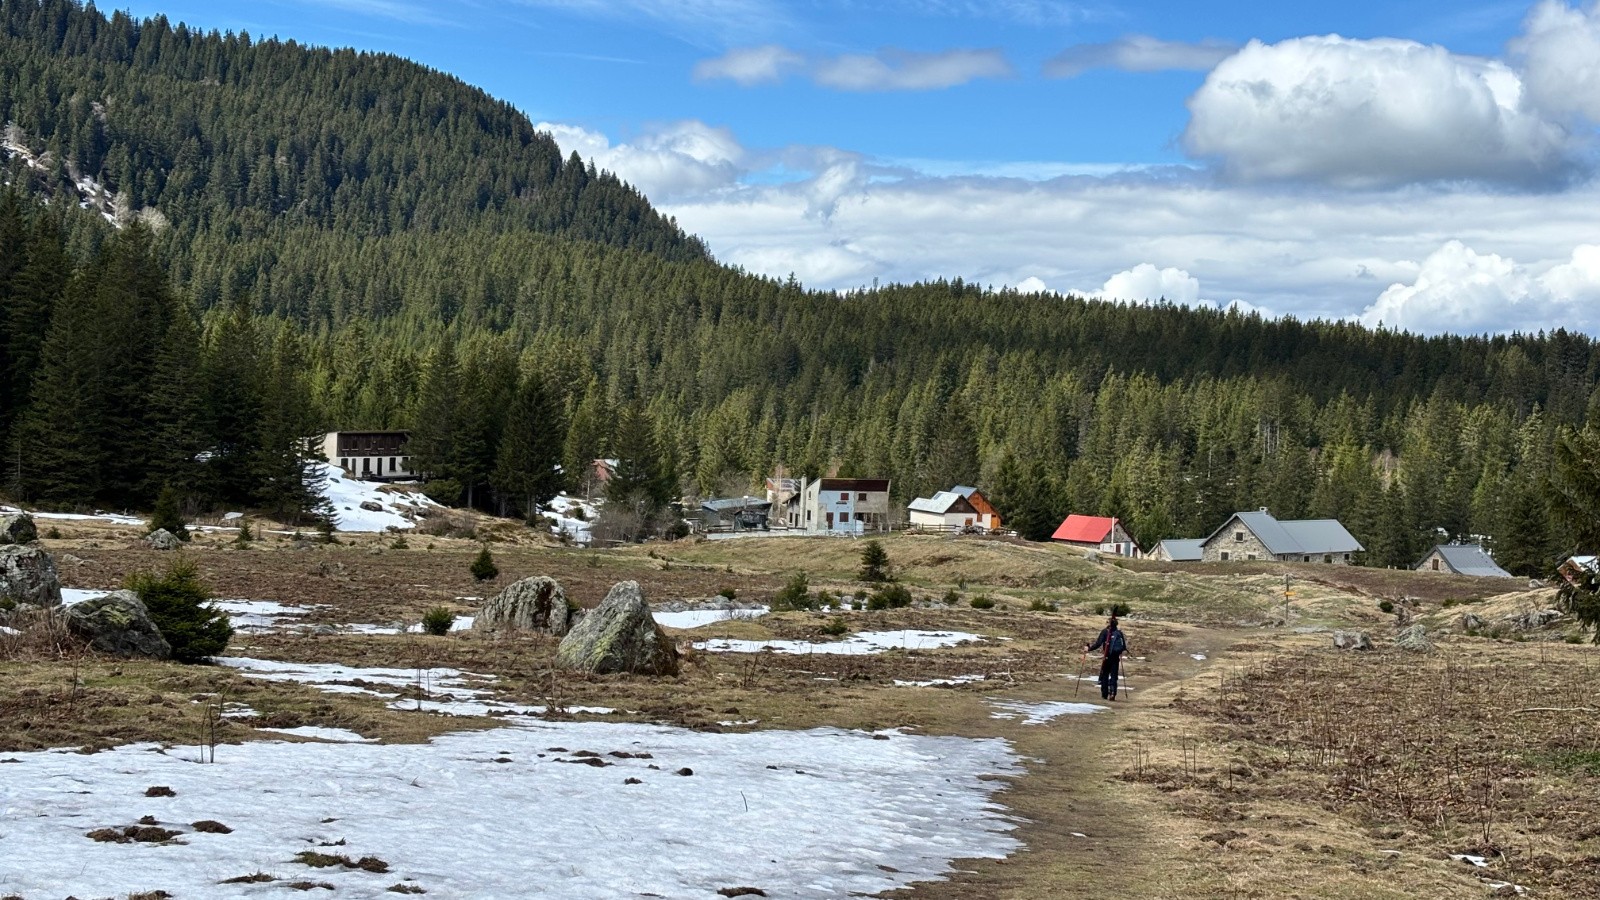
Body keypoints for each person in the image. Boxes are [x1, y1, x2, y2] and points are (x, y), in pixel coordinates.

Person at [1084, 616, 1127, 701]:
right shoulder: (1119, 633)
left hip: (1107, 657)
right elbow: (1124, 646)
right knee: (1114, 675)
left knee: (1105, 675)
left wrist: (1089, 649)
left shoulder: (1105, 632)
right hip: (1115, 657)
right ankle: (1113, 693)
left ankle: (1104, 694)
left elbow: (1098, 644)